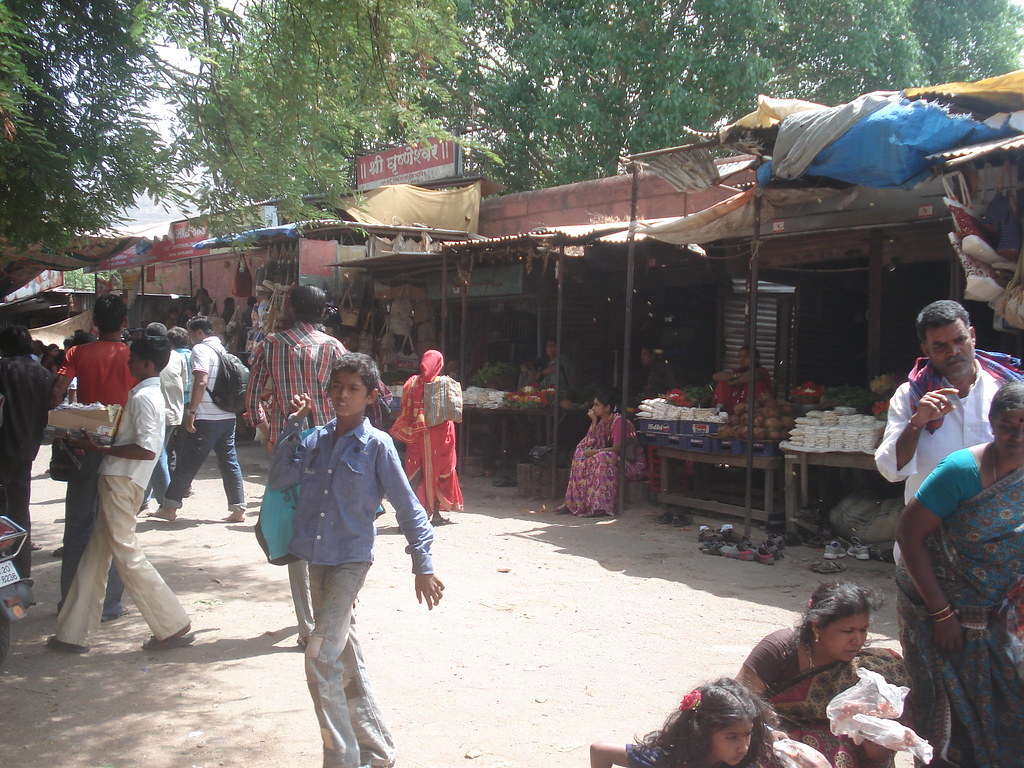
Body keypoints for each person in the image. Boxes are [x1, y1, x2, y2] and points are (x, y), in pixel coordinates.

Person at [267, 352, 444, 768]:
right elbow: (279, 479)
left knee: (319, 655)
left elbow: (409, 507)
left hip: (350, 560)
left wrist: (424, 564)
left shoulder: (378, 446)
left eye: (353, 389)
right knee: (344, 653)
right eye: (337, 387)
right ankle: (378, 751)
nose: (342, 396)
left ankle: (342, 759)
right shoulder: (313, 439)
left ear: (369, 397)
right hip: (316, 557)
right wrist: (294, 425)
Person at [894, 382, 1024, 767]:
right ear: (991, 424)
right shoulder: (961, 470)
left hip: (1007, 618)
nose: (1017, 436)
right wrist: (941, 613)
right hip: (944, 612)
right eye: (1007, 426)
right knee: (948, 719)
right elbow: (909, 535)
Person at [46, 336, 193, 654]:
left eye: (133, 359)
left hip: (121, 480)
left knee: (125, 554)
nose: (128, 364)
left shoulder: (143, 396)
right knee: (96, 557)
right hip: (122, 479)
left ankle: (172, 623)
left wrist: (100, 447)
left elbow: (146, 447)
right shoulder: (150, 393)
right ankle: (72, 632)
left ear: (148, 365)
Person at [247, 284, 349, 647]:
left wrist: (270, 431)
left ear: (290, 306)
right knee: (334, 526)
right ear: (322, 311)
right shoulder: (334, 348)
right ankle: (338, 614)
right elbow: (350, 395)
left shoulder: (271, 344)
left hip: (288, 450)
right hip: (330, 447)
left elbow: (252, 399)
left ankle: (309, 628)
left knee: (296, 535)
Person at [736, 582, 910, 768]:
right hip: (779, 740)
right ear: (817, 627)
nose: (858, 639)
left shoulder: (867, 669)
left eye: (863, 630)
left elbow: (879, 755)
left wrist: (874, 733)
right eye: (848, 631)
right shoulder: (780, 649)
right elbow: (738, 702)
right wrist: (767, 730)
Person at [875, 299, 1024, 506]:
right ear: (926, 350)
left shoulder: (1008, 389)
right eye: (940, 346)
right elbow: (891, 471)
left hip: (999, 529)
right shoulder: (911, 396)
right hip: (929, 530)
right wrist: (917, 423)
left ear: (972, 336)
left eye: (960, 340)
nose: (953, 351)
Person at [50, 294, 134, 622]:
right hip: (121, 448)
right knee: (113, 525)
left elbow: (57, 392)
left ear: (94, 323)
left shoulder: (77, 352)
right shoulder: (133, 356)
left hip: (84, 445)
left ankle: (68, 601)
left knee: (78, 524)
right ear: (124, 323)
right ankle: (109, 603)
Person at [150, 315, 246, 523]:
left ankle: (170, 508)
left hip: (207, 415)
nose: (191, 338)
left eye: (193, 334)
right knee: (229, 461)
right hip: (227, 415)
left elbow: (201, 381)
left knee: (188, 462)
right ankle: (238, 508)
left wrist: (191, 413)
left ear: (200, 333)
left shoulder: (201, 350)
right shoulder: (223, 350)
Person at [589, 678, 775, 768]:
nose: (743, 747)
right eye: (732, 737)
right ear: (703, 732)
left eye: (748, 734)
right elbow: (600, 751)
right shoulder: (665, 761)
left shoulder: (737, 762)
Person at [0, 325, 53, 578]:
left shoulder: (3, 369)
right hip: (27, 449)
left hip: (3, 447)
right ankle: (21, 571)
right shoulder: (42, 374)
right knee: (20, 510)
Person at [391, 349, 464, 526]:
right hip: (440, 438)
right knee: (439, 473)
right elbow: (454, 411)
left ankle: (411, 516)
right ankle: (435, 514)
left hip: (417, 435)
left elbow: (405, 411)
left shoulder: (411, 382)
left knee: (415, 474)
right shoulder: (446, 383)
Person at [555, 388, 646, 517]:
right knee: (580, 454)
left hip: (631, 465)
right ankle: (574, 502)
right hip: (614, 460)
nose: (593, 408)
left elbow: (616, 450)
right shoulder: (602, 423)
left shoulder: (619, 421)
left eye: (597, 405)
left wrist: (594, 452)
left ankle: (601, 507)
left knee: (602, 457)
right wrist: (593, 421)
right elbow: (588, 443)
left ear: (607, 407)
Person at [140, 322, 187, 514]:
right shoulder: (177, 356)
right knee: (156, 454)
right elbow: (184, 384)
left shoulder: (147, 357)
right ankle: (144, 499)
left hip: (158, 412)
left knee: (156, 455)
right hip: (174, 411)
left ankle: (166, 503)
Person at [711, 346, 772, 413]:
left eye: (746, 357)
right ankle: (720, 408)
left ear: (756, 359)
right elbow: (715, 376)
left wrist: (736, 381)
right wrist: (735, 376)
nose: (741, 360)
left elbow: (751, 375)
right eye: (740, 357)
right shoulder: (739, 370)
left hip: (754, 408)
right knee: (723, 383)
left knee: (754, 383)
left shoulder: (762, 371)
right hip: (737, 406)